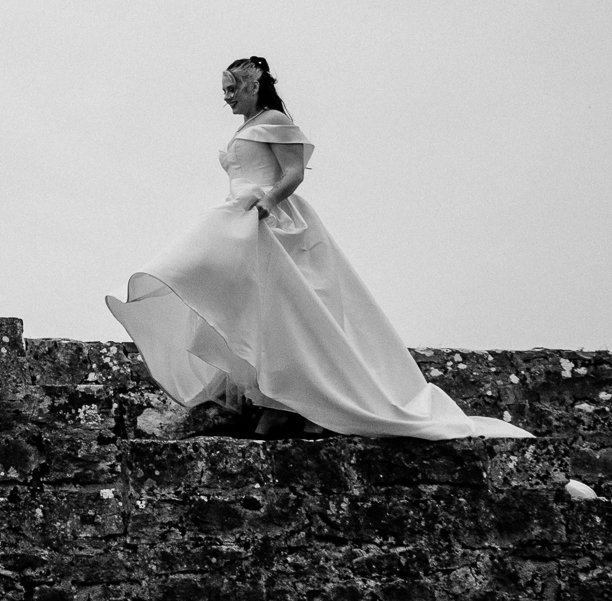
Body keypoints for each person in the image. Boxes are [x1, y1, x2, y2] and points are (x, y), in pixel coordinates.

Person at [106, 57, 529, 441]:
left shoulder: (275, 120)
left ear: (253, 86)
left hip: (269, 219)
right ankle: (272, 400)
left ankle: (287, 406)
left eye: (232, 89)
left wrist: (267, 204)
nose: (227, 97)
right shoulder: (246, 125)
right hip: (240, 216)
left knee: (283, 311)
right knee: (247, 304)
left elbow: (293, 173)